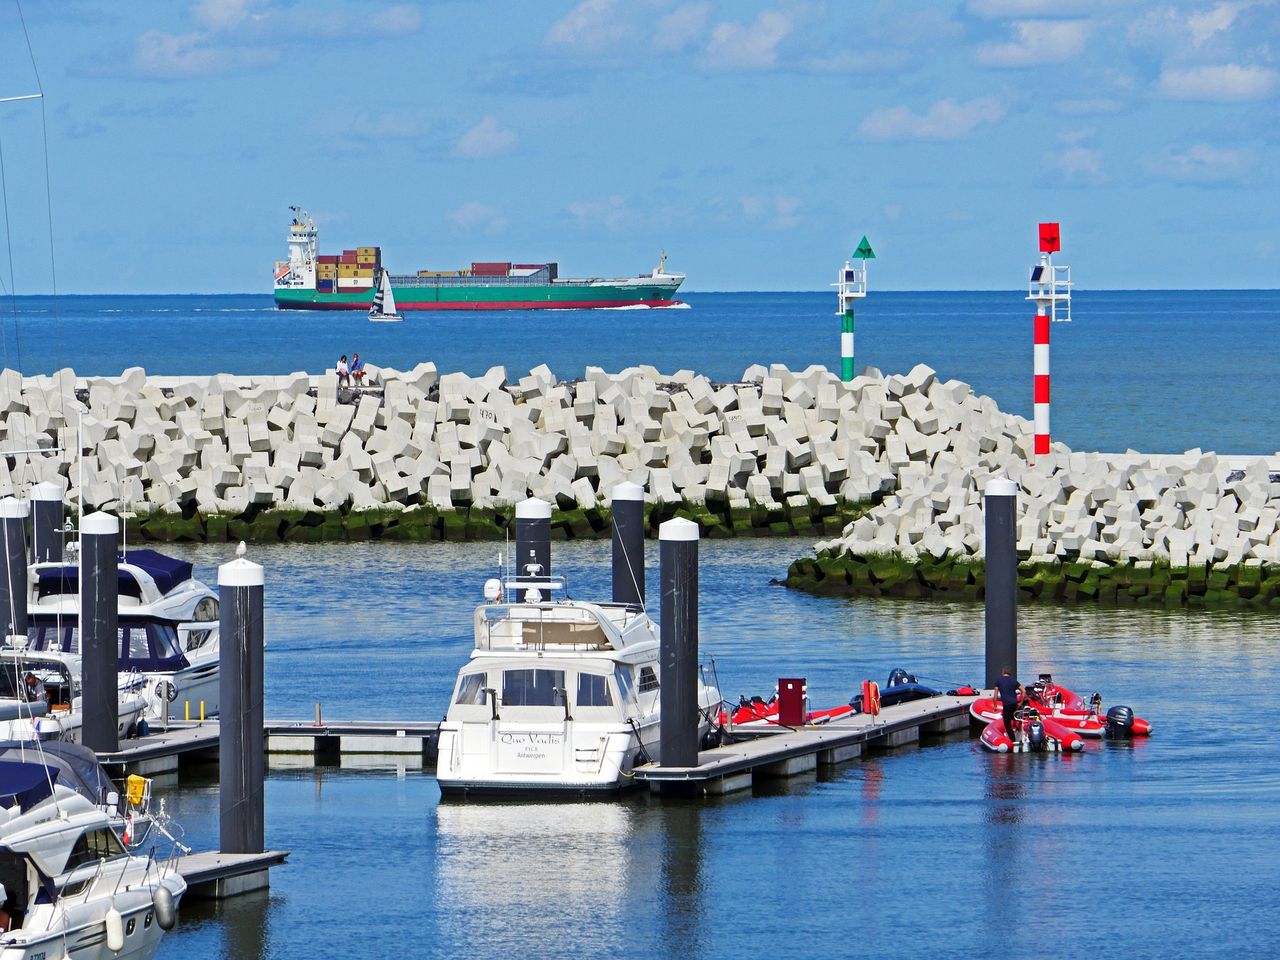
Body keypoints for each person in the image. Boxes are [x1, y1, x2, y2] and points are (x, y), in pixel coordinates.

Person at [995, 666, 1024, 744]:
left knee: (1007, 724)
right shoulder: (1013, 680)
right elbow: (1023, 691)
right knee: (1015, 718)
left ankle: (1013, 740)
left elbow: (995, 694)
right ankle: (1021, 733)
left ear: (1003, 672)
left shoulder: (998, 681)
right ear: (1009, 673)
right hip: (1014, 704)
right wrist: (1020, 702)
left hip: (1007, 705)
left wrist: (995, 705)